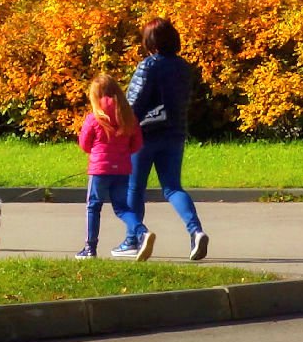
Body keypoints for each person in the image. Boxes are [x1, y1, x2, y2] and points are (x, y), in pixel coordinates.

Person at [125, 18, 209, 261]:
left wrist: (123, 127)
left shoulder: (148, 66)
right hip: (175, 133)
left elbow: (134, 103)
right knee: (172, 187)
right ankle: (196, 231)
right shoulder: (184, 67)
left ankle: (133, 238)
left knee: (135, 187)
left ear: (149, 41)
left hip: (145, 134)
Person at [75, 74, 150, 260]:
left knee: (94, 206)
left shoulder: (94, 118)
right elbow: (137, 144)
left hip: (100, 170)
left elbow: (85, 144)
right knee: (122, 208)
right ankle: (142, 232)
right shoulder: (128, 117)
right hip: (122, 169)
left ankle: (90, 248)